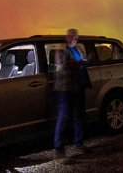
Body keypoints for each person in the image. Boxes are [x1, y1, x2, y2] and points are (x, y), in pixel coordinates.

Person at [54, 28, 92, 159]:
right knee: (64, 118)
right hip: (65, 89)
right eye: (72, 37)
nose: (75, 39)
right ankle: (59, 150)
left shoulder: (78, 49)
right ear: (67, 37)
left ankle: (79, 143)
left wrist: (87, 60)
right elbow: (61, 64)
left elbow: (83, 62)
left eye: (76, 37)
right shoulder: (61, 49)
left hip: (78, 87)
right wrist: (79, 62)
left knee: (79, 117)